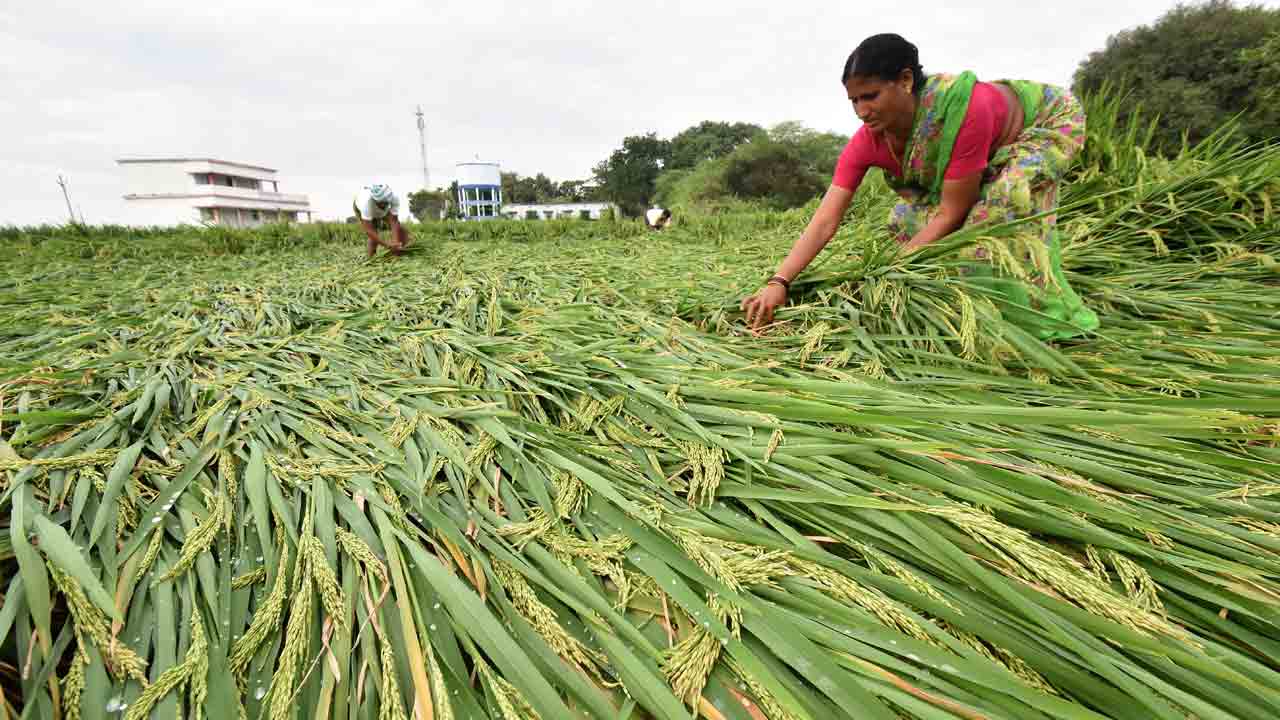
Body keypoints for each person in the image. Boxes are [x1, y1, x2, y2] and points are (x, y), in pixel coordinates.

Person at [741, 34, 1099, 341]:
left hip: (1043, 125)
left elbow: (953, 212)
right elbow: (825, 219)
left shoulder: (961, 111)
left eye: (871, 95)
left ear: (906, 80)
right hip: (982, 149)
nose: (862, 111)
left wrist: (885, 272)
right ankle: (966, 307)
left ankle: (1051, 324)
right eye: (854, 100)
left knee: (997, 212)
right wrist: (779, 281)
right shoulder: (867, 142)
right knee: (904, 220)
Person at [353, 183, 411, 258]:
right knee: (374, 232)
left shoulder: (394, 198)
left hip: (380, 210)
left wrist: (395, 243)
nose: (383, 205)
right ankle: (371, 259)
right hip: (362, 207)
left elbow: (394, 221)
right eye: (380, 203)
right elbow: (369, 230)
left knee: (400, 229)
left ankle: (400, 252)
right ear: (375, 200)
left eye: (385, 203)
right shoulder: (365, 203)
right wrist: (387, 245)